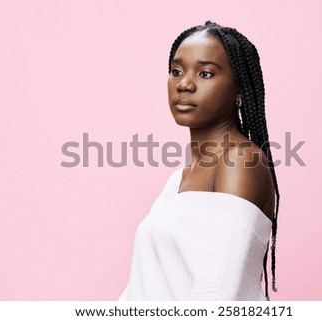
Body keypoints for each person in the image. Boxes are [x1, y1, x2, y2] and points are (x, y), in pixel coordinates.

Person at [119, 21, 280, 301]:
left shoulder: (241, 162)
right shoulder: (179, 179)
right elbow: (144, 287)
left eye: (205, 73)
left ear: (239, 90)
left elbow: (217, 294)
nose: (184, 84)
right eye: (176, 71)